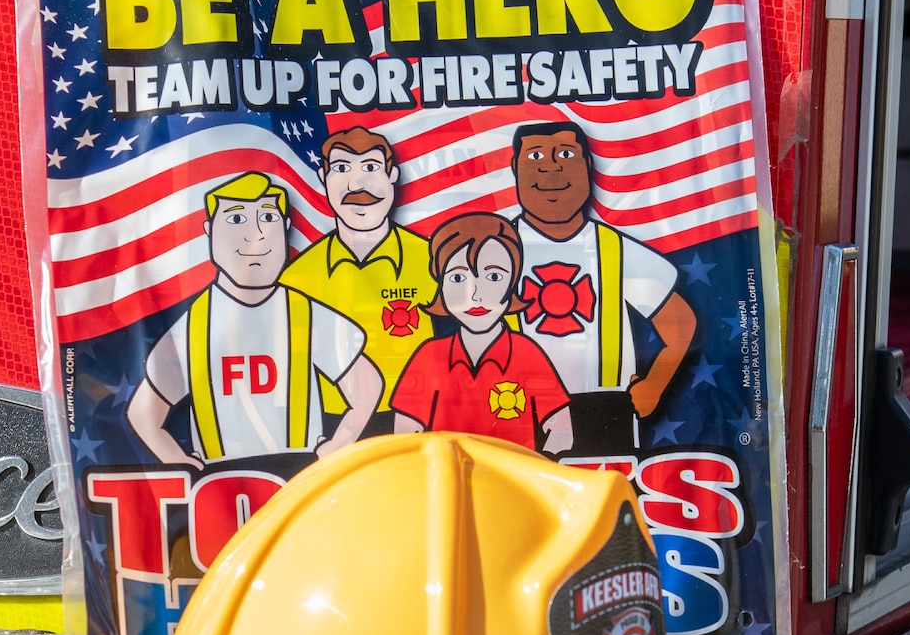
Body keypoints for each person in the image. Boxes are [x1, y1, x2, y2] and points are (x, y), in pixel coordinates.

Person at [128, 172, 382, 466]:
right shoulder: (197, 322)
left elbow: (368, 385)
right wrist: (179, 462)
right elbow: (144, 413)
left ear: (286, 227)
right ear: (210, 230)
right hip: (223, 484)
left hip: (300, 483)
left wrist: (339, 444)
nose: (256, 234)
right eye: (236, 219)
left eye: (269, 217)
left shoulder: (304, 312)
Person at [507, 122, 697, 451]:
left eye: (566, 154)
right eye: (535, 155)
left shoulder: (617, 249)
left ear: (588, 166)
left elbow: (681, 324)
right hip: (512, 405)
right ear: (515, 169)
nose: (550, 167)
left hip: (606, 409)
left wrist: (655, 383)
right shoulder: (496, 250)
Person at [281, 128, 435, 434]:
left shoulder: (437, 263)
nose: (356, 184)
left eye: (370, 167)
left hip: (423, 425)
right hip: (329, 430)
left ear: (393, 175)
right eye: (341, 168)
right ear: (324, 177)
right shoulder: (294, 278)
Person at [391, 213, 572, 454]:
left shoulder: (526, 353)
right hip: (446, 482)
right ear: (441, 285)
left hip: (513, 483)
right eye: (457, 278)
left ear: (513, 281)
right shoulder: (429, 355)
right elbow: (404, 436)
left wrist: (540, 473)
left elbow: (561, 429)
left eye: (493, 276)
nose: (475, 294)